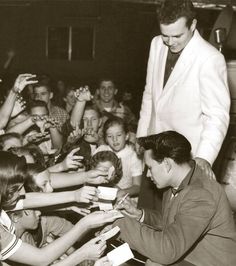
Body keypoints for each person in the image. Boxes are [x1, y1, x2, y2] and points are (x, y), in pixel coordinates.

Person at [136, 0, 230, 177]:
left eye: (177, 36)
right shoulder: (156, 44)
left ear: (193, 25)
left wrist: (204, 157)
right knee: (146, 206)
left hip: (184, 161)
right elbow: (150, 94)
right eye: (165, 35)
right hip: (154, 156)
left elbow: (217, 116)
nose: (170, 42)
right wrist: (142, 136)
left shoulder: (210, 58)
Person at [112, 131, 236, 266]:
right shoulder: (179, 181)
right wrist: (141, 215)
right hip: (189, 255)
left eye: (150, 167)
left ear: (166, 164)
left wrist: (119, 224)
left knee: (152, 263)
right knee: (120, 257)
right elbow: (175, 222)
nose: (147, 174)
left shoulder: (201, 194)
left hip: (209, 262)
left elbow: (166, 251)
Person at [0, 151, 124, 265]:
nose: (22, 193)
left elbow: (28, 198)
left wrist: (84, 180)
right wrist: (84, 226)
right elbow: (41, 259)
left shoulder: (7, 196)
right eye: (17, 189)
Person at [94, 117, 142, 200]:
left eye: (119, 135)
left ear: (126, 136)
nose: (114, 139)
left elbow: (137, 186)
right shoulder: (101, 150)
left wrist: (122, 192)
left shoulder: (133, 155)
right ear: (105, 138)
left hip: (125, 197)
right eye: (110, 136)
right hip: (101, 194)